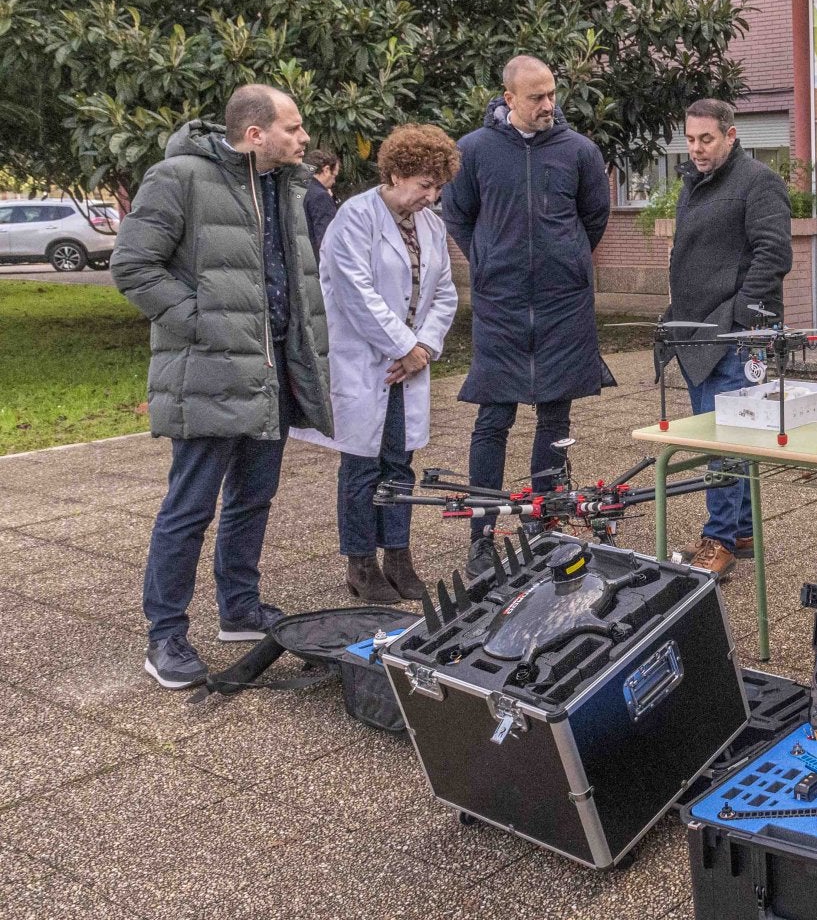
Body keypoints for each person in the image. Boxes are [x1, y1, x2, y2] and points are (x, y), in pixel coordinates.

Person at [112, 85, 333, 689]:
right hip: (209, 375)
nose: (304, 137)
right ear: (255, 133)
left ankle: (239, 610)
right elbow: (133, 267)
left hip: (272, 376)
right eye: (294, 127)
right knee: (188, 508)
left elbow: (290, 278)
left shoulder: (286, 187)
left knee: (252, 500)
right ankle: (166, 637)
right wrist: (204, 324)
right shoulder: (178, 176)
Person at [442, 55, 614, 577]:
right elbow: (459, 216)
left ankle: (545, 519)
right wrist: (492, 261)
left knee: (555, 416)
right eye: (536, 96)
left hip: (564, 304)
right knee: (492, 417)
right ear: (508, 98)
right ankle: (482, 532)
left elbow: (594, 217)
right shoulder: (471, 152)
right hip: (503, 304)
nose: (548, 105)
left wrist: (565, 259)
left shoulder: (579, 151)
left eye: (552, 93)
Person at [293, 125, 461, 603]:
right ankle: (361, 564)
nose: (431, 197)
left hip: (409, 365)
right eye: (424, 185)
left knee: (400, 464)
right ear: (394, 173)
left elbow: (445, 292)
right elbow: (354, 292)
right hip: (365, 361)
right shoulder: (354, 217)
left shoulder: (430, 225)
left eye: (437, 187)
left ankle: (399, 557)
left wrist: (423, 349)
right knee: (362, 465)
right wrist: (402, 347)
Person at [664, 98, 793, 578]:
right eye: (691, 139)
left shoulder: (758, 182)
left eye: (706, 139)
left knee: (727, 441)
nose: (696, 149)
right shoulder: (693, 184)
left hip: (735, 335)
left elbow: (774, 253)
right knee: (721, 438)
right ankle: (740, 531)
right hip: (696, 330)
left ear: (731, 135)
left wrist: (740, 318)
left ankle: (718, 540)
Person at [303, 149, 340, 257]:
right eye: (334, 176)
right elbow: (327, 239)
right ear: (326, 170)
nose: (334, 182)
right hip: (316, 263)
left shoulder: (296, 189)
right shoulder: (321, 197)